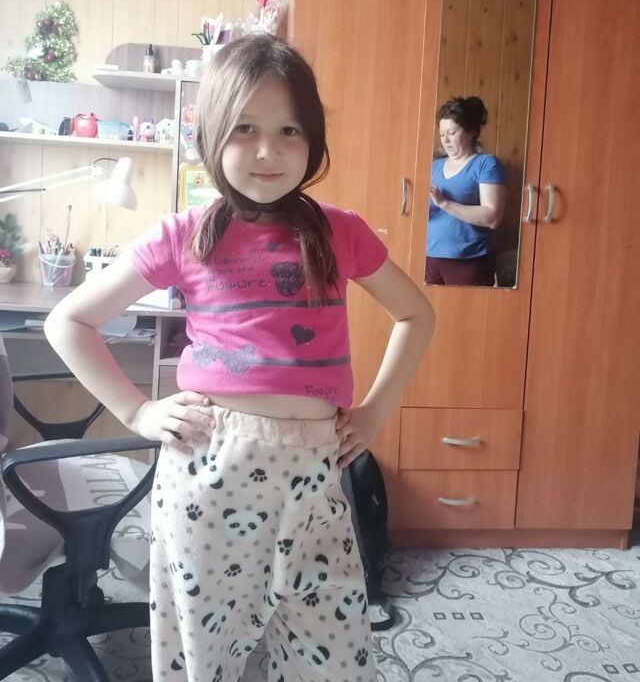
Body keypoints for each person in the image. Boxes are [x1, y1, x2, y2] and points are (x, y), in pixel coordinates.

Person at [44, 34, 435, 682]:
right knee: (207, 661)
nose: (267, 151)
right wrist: (137, 412)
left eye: (289, 130)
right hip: (210, 472)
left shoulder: (340, 231)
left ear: (312, 140)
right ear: (212, 133)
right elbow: (69, 322)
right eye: (245, 128)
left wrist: (375, 411)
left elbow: (417, 314)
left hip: (314, 473)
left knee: (333, 657)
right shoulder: (185, 234)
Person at [425, 96, 507, 286]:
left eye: (452, 133)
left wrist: (444, 203)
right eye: (442, 134)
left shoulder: (486, 164)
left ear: (471, 132)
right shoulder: (434, 167)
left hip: (470, 261)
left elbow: (492, 217)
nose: (445, 140)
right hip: (429, 258)